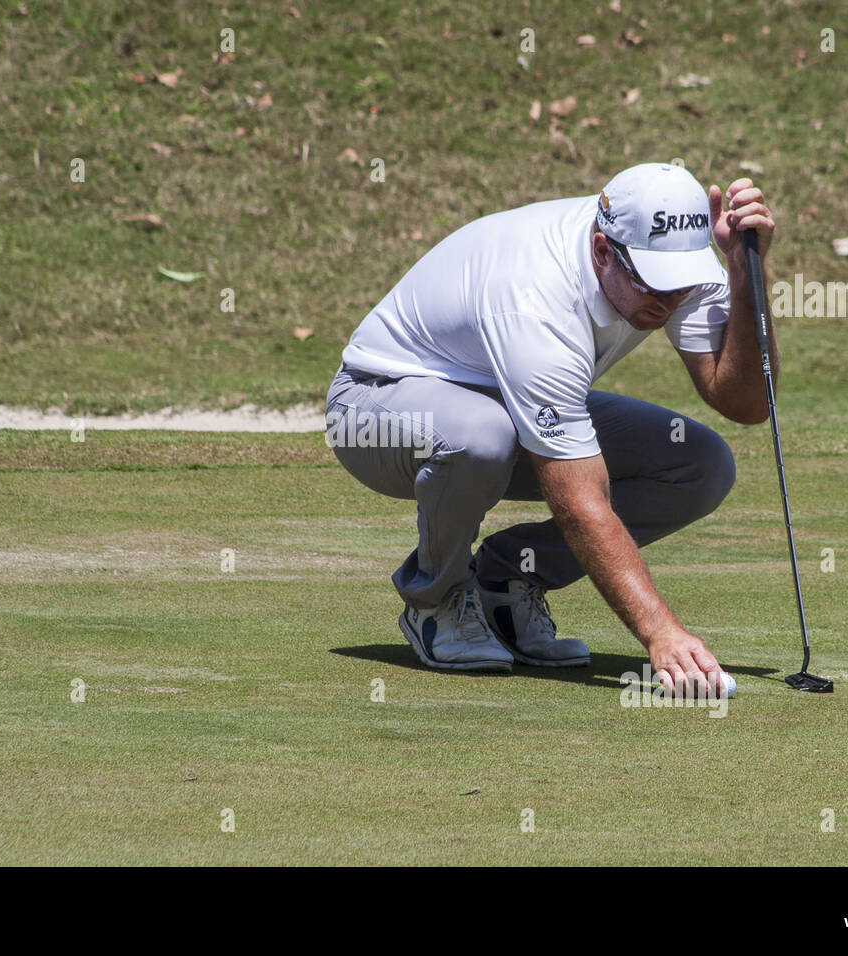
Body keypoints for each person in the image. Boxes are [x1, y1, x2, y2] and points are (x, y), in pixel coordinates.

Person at [325, 163, 776, 697]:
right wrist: (661, 634)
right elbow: (579, 500)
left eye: (682, 288)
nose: (670, 301)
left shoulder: (675, 265)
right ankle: (437, 599)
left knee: (700, 464)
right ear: (603, 251)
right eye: (656, 286)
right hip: (374, 407)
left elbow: (744, 401)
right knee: (482, 437)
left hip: (503, 400)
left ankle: (508, 579)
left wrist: (745, 270)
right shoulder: (536, 297)